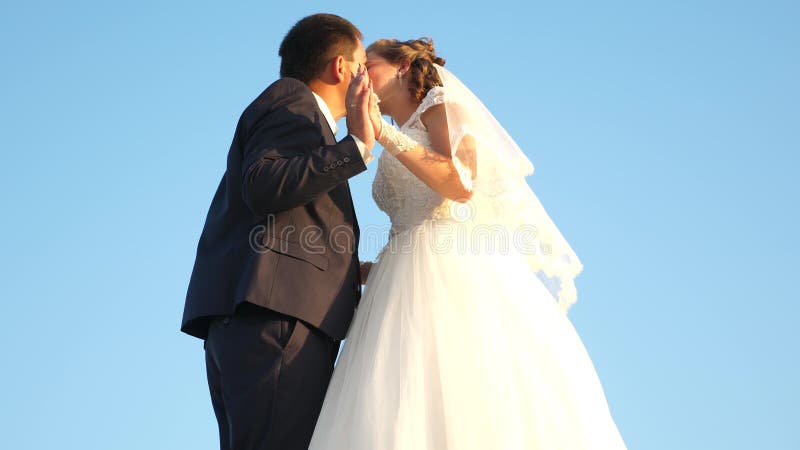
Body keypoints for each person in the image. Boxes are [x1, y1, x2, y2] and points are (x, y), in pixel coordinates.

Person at [308, 38, 628, 449]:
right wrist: (361, 270)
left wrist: (383, 133)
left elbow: (460, 184)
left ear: (403, 65)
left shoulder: (441, 106)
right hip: (400, 280)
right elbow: (407, 225)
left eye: (368, 65)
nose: (360, 75)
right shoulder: (397, 133)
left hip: (452, 271)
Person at [180, 13, 377, 450]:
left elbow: (285, 219)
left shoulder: (305, 118)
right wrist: (356, 147)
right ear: (340, 67)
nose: (368, 77)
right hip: (277, 322)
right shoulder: (293, 101)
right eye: (362, 64)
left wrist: (351, 271)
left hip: (266, 320)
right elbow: (263, 184)